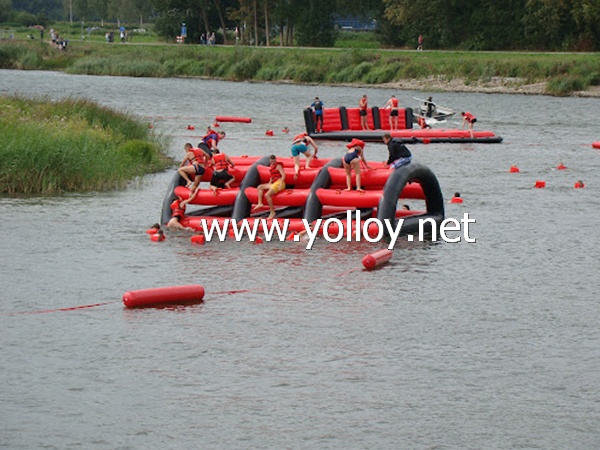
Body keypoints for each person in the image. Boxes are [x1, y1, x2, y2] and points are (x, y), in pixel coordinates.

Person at [253, 155, 286, 219]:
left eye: (273, 161)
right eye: (271, 161)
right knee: (260, 187)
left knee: (267, 195)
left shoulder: (278, 166)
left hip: (279, 183)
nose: (272, 162)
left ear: (276, 160)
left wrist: (281, 183)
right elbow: (272, 176)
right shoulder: (271, 166)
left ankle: (272, 212)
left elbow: (283, 175)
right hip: (274, 183)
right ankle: (260, 203)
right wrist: (269, 183)